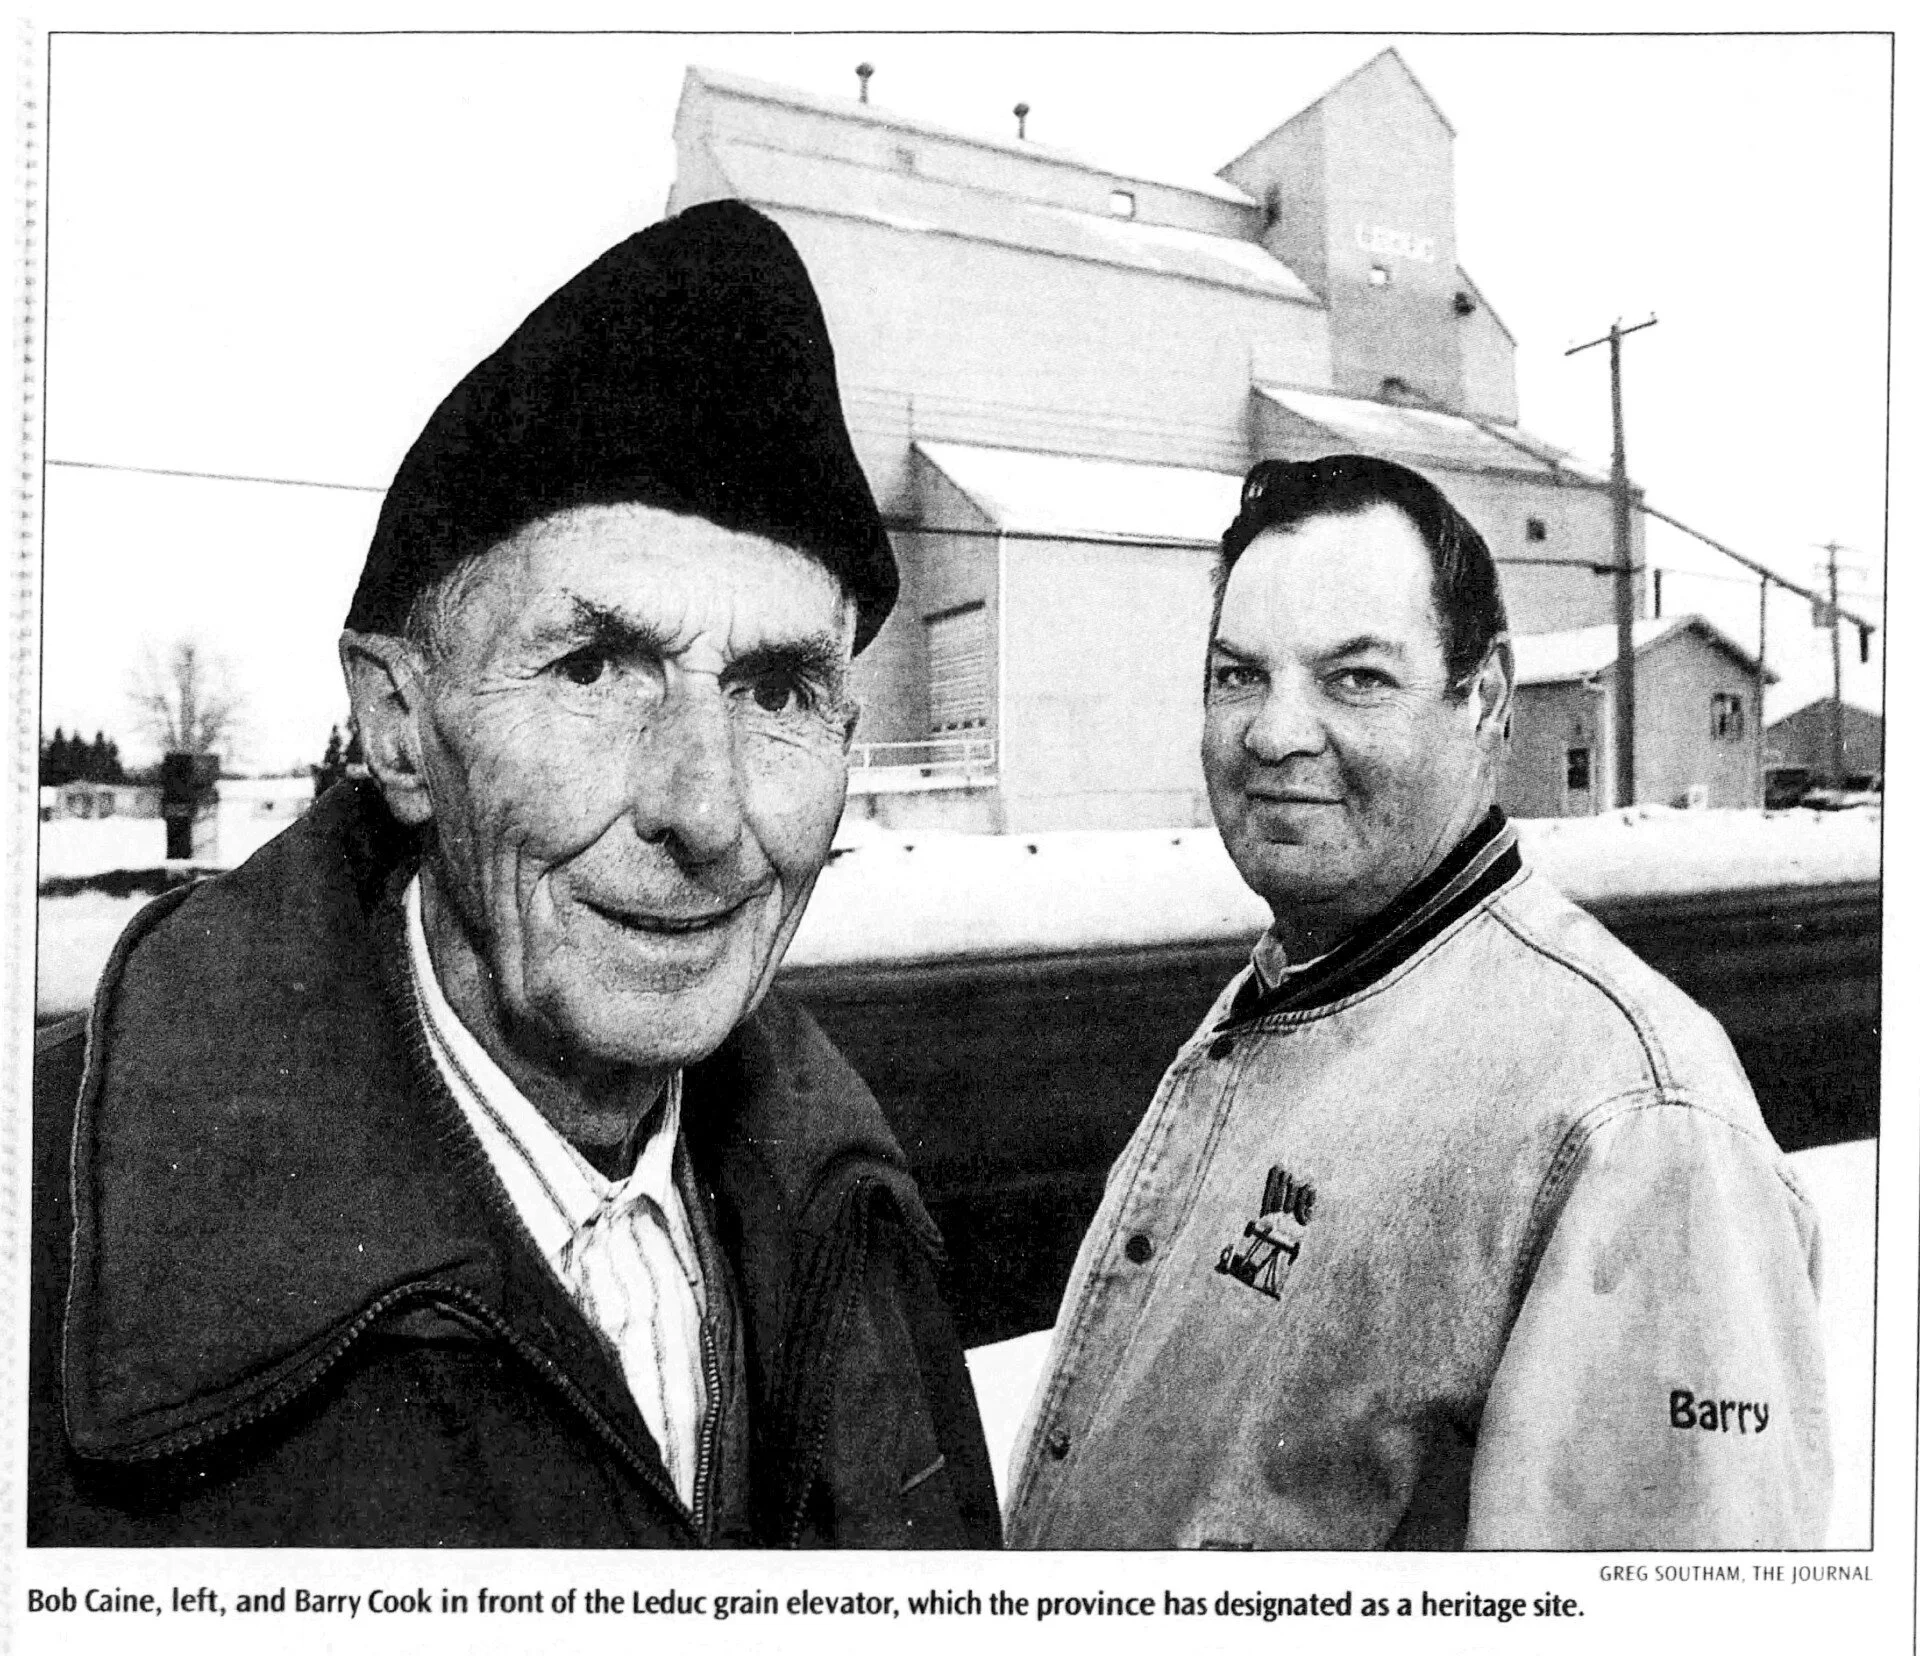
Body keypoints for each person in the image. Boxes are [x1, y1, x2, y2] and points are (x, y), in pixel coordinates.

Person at [30, 201, 999, 1549]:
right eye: (596, 668)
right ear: (399, 726)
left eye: (777, 688)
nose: (706, 810)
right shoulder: (49, 1235)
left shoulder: (854, 1211)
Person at [1004, 454, 1830, 1550]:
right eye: (1239, 674)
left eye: (1355, 679)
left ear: (1483, 698)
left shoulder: (1636, 1117)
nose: (1273, 733)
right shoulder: (1299, 984)